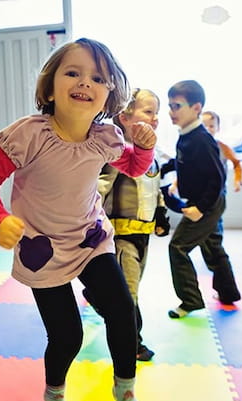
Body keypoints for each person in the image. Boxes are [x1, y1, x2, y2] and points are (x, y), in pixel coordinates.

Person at [0, 38, 155, 401]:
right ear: (50, 86)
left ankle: (125, 390)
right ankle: (54, 399)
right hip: (42, 248)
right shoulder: (29, 135)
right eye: (73, 73)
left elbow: (135, 168)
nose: (85, 82)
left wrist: (144, 148)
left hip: (90, 239)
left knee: (123, 311)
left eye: (97, 78)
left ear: (109, 95)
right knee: (67, 335)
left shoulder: (105, 139)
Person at [91, 88, 169, 362]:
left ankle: (99, 297)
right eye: (149, 111)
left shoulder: (150, 152)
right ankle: (133, 343)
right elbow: (98, 188)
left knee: (129, 290)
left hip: (143, 234)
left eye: (157, 112)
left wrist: (160, 215)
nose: (156, 118)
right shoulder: (118, 152)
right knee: (129, 295)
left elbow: (154, 186)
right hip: (121, 235)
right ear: (124, 116)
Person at [163, 80, 241, 319]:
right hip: (204, 202)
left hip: (207, 204)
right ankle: (228, 293)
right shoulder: (187, 136)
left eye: (176, 106)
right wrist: (166, 168)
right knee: (213, 247)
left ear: (196, 108)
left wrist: (200, 208)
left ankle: (191, 300)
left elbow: (217, 178)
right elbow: (187, 162)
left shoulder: (201, 138)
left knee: (178, 247)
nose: (171, 112)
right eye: (170, 106)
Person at [202, 111, 242, 192]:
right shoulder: (195, 148)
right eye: (204, 126)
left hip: (219, 190)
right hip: (200, 190)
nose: (207, 129)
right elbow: (187, 168)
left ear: (218, 128)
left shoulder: (223, 148)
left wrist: (238, 180)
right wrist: (176, 184)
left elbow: (236, 163)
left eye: (211, 126)